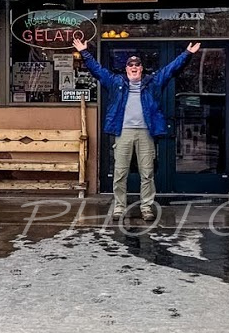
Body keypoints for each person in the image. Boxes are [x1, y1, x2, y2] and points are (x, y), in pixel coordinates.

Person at [73, 34, 201, 221]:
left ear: (141, 68)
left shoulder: (152, 83)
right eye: (130, 65)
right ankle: (119, 207)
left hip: (145, 133)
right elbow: (98, 70)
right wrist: (84, 52)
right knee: (120, 172)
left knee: (147, 173)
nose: (134, 67)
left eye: (137, 65)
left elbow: (171, 69)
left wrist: (187, 53)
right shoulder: (115, 82)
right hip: (123, 132)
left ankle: (146, 207)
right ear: (126, 69)